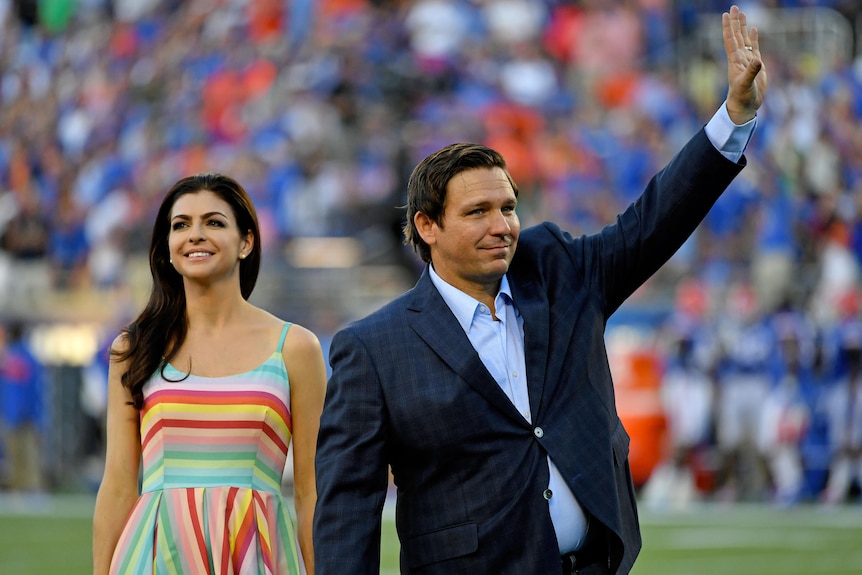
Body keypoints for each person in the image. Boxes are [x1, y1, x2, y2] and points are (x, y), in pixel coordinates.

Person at [313, 6, 766, 575]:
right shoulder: (373, 349)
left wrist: (734, 117)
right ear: (427, 227)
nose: (502, 224)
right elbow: (347, 509)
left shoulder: (560, 273)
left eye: (508, 207)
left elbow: (654, 221)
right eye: (478, 211)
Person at [92, 173, 327, 575]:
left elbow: (311, 492)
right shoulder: (133, 350)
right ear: (167, 247)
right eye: (181, 225)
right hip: (151, 558)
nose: (195, 234)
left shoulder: (296, 348)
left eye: (214, 223)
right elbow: (117, 485)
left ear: (246, 242)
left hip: (256, 555)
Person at [0, 320, 45, 493]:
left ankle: (28, 487)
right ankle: (25, 487)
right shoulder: (21, 356)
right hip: (20, 412)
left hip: (19, 413)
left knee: (23, 453)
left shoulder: (18, 356)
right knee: (23, 453)